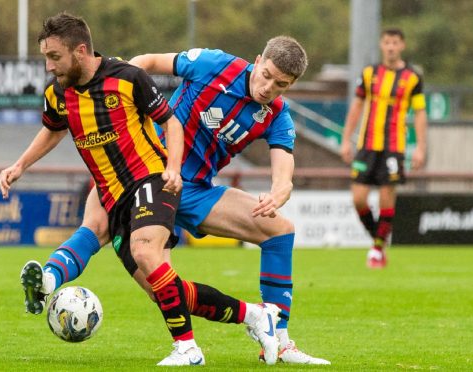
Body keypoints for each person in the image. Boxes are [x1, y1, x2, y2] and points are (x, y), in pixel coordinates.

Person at [25, 34, 330, 365]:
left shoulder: (277, 116)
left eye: (281, 85)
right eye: (266, 75)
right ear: (257, 61)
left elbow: (284, 173)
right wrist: (114, 85)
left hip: (195, 189)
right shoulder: (215, 65)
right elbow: (148, 62)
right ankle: (49, 279)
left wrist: (278, 193)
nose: (269, 87)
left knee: (280, 230)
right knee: (153, 279)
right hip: (146, 172)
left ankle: (279, 340)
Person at [340, 28, 428, 268]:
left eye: (395, 43)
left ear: (402, 45)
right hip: (366, 145)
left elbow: (420, 113)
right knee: (359, 199)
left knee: (387, 198)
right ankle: (378, 241)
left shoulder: (412, 77)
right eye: (387, 42)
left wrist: (420, 147)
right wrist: (346, 139)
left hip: (394, 146)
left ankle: (377, 250)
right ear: (381, 45)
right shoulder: (369, 74)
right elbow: (357, 107)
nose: (391, 47)